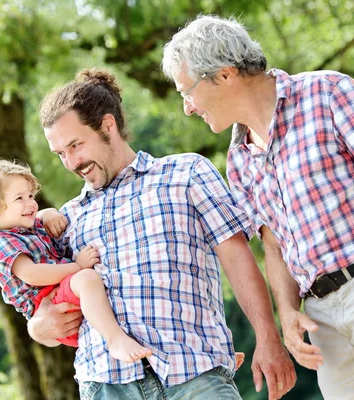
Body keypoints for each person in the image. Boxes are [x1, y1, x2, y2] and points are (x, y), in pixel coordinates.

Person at [162, 14, 354, 400]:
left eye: (188, 91)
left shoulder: (328, 92)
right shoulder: (239, 158)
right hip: (321, 319)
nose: (188, 107)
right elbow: (273, 243)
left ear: (225, 75)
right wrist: (287, 311)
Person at [27, 68, 295, 400]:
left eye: (76, 145)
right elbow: (41, 298)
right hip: (108, 386)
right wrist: (37, 327)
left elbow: (237, 259)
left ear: (107, 126)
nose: (71, 162)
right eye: (60, 154)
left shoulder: (187, 173)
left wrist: (269, 338)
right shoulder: (65, 220)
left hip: (195, 376)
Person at [0, 159, 152, 362]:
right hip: (50, 304)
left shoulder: (25, 226)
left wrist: (49, 213)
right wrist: (77, 266)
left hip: (62, 294)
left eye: (31, 195)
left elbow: (39, 216)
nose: (31, 204)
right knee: (87, 278)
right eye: (19, 198)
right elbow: (33, 274)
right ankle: (116, 340)